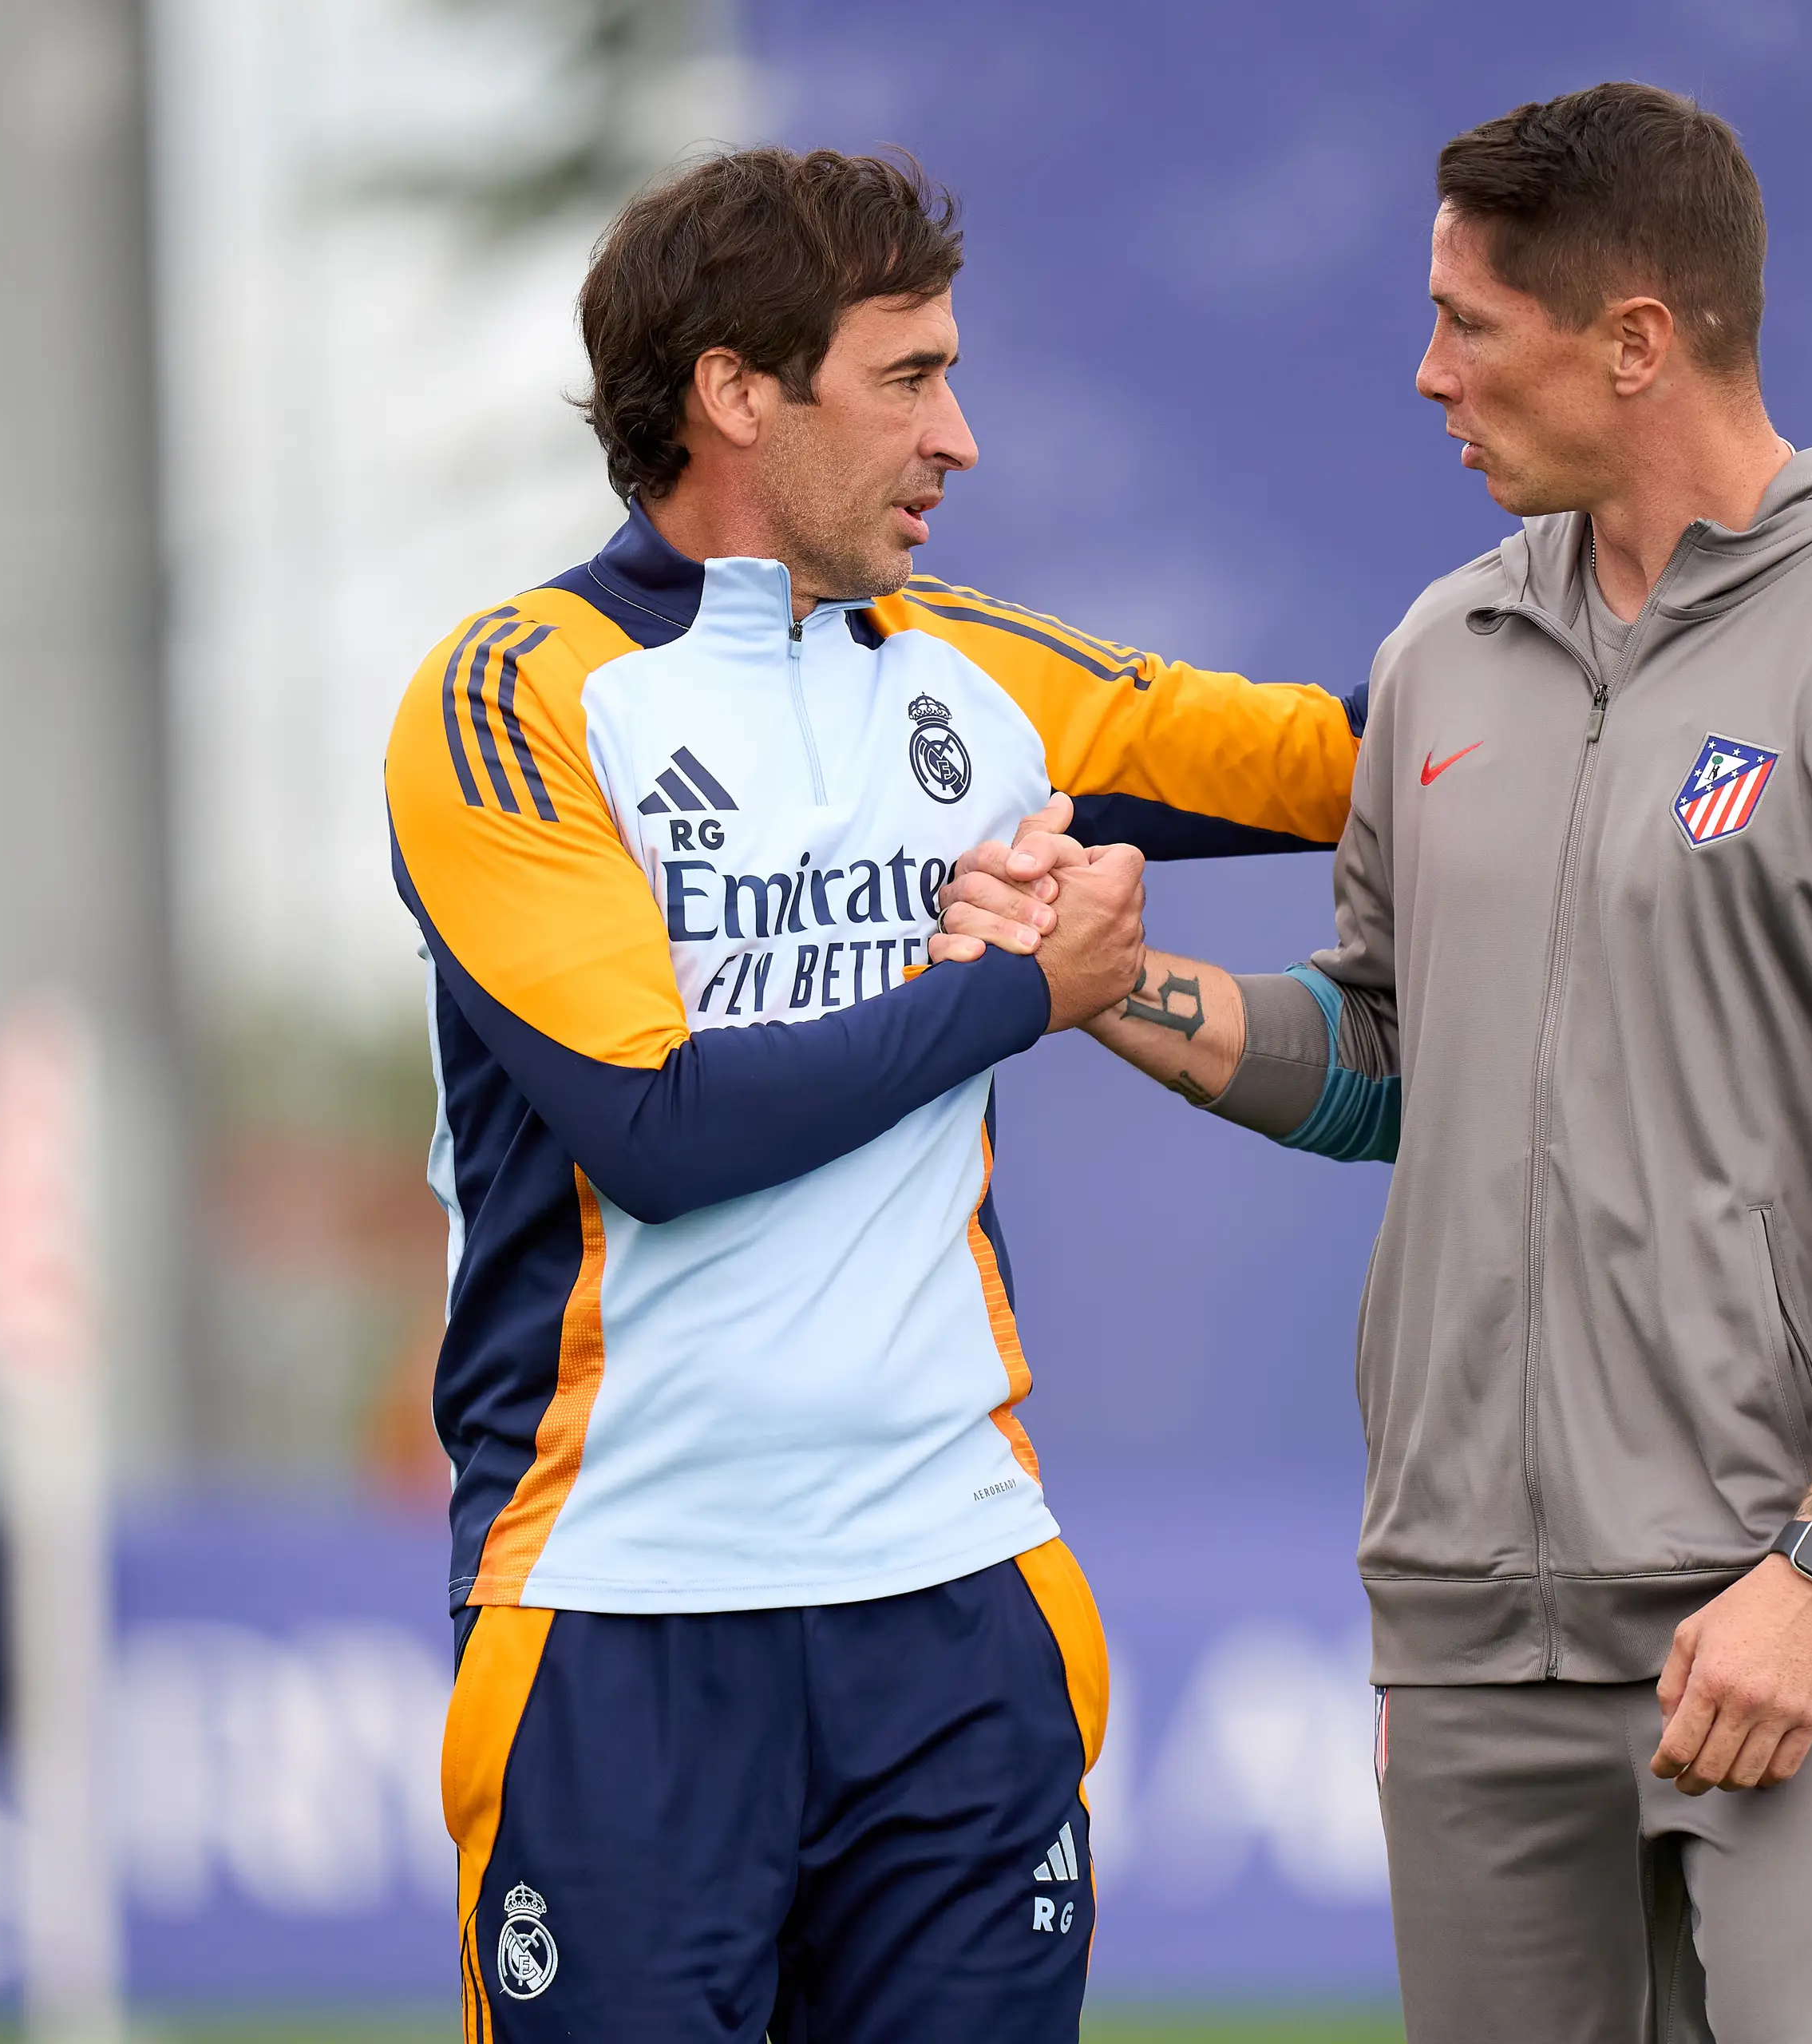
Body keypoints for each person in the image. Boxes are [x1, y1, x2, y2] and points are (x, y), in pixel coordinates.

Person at [939, 84, 1812, 2044]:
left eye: (1472, 324)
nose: (1425, 371)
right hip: (1474, 1624)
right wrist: (1106, 986)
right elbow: (1390, 1058)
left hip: (1796, 1607)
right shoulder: (1444, 654)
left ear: (1637, 339)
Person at [384, 146, 1359, 2042]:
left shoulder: (979, 673)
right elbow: (658, 1132)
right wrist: (1017, 990)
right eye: (908, 376)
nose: (962, 436)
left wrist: (1695, 653)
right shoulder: (510, 695)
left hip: (954, 1599)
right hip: (619, 1614)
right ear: (740, 392)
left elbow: (1363, 760)